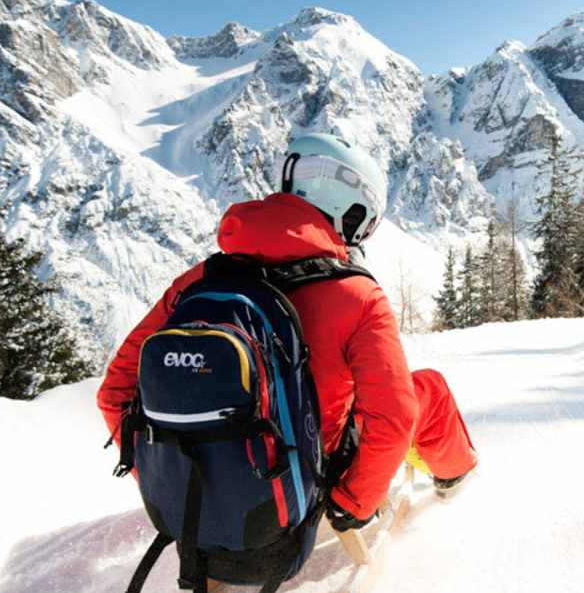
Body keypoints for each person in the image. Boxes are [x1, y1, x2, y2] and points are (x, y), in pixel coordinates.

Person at [97, 133, 478, 531]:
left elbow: (114, 394)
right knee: (426, 389)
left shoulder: (196, 283)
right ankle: (455, 477)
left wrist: (165, 481)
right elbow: (394, 417)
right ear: (348, 213)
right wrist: (354, 502)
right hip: (309, 480)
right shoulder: (358, 295)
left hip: (198, 487)